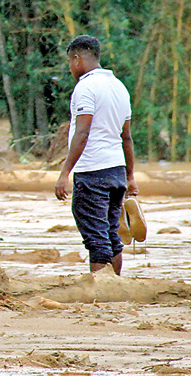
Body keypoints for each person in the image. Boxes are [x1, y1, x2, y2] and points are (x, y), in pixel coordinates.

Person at [54, 35, 138, 276]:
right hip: (116, 172)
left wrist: (64, 173)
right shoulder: (119, 87)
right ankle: (116, 284)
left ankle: (101, 290)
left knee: (96, 236)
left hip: (93, 172)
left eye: (70, 61)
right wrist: (130, 176)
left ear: (77, 59)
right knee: (112, 233)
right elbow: (126, 137)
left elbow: (83, 132)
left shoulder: (86, 87)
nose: (71, 68)